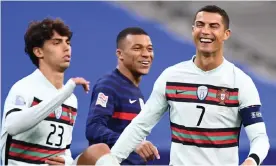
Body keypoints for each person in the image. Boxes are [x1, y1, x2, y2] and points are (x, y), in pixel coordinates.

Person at [110, 5, 270, 166]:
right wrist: (112, 160)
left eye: (213, 26)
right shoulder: (171, 77)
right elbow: (139, 126)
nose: (205, 31)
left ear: (226, 34)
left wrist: (252, 161)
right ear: (193, 29)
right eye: (200, 25)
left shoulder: (241, 82)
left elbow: (259, 138)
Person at [0, 18, 109, 166]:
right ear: (38, 51)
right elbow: (12, 126)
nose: (66, 48)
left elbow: (65, 149)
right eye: (57, 43)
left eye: (68, 42)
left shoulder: (71, 99)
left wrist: (67, 161)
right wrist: (63, 93)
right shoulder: (24, 87)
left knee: (100, 151)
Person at [85, 27, 159, 165]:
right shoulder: (109, 85)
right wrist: (132, 143)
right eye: (137, 48)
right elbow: (94, 128)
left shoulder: (136, 92)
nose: (146, 54)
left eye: (149, 49)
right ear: (120, 54)